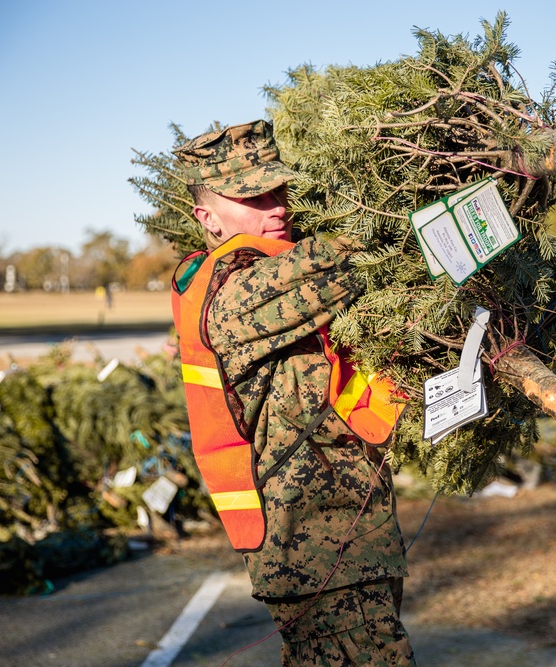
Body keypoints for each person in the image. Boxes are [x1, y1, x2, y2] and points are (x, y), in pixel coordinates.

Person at [171, 119, 416, 666]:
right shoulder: (232, 291)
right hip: (309, 543)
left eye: (279, 189)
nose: (277, 206)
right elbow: (351, 259)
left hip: (352, 537)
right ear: (206, 217)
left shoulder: (270, 268)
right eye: (252, 196)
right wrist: (415, 197)